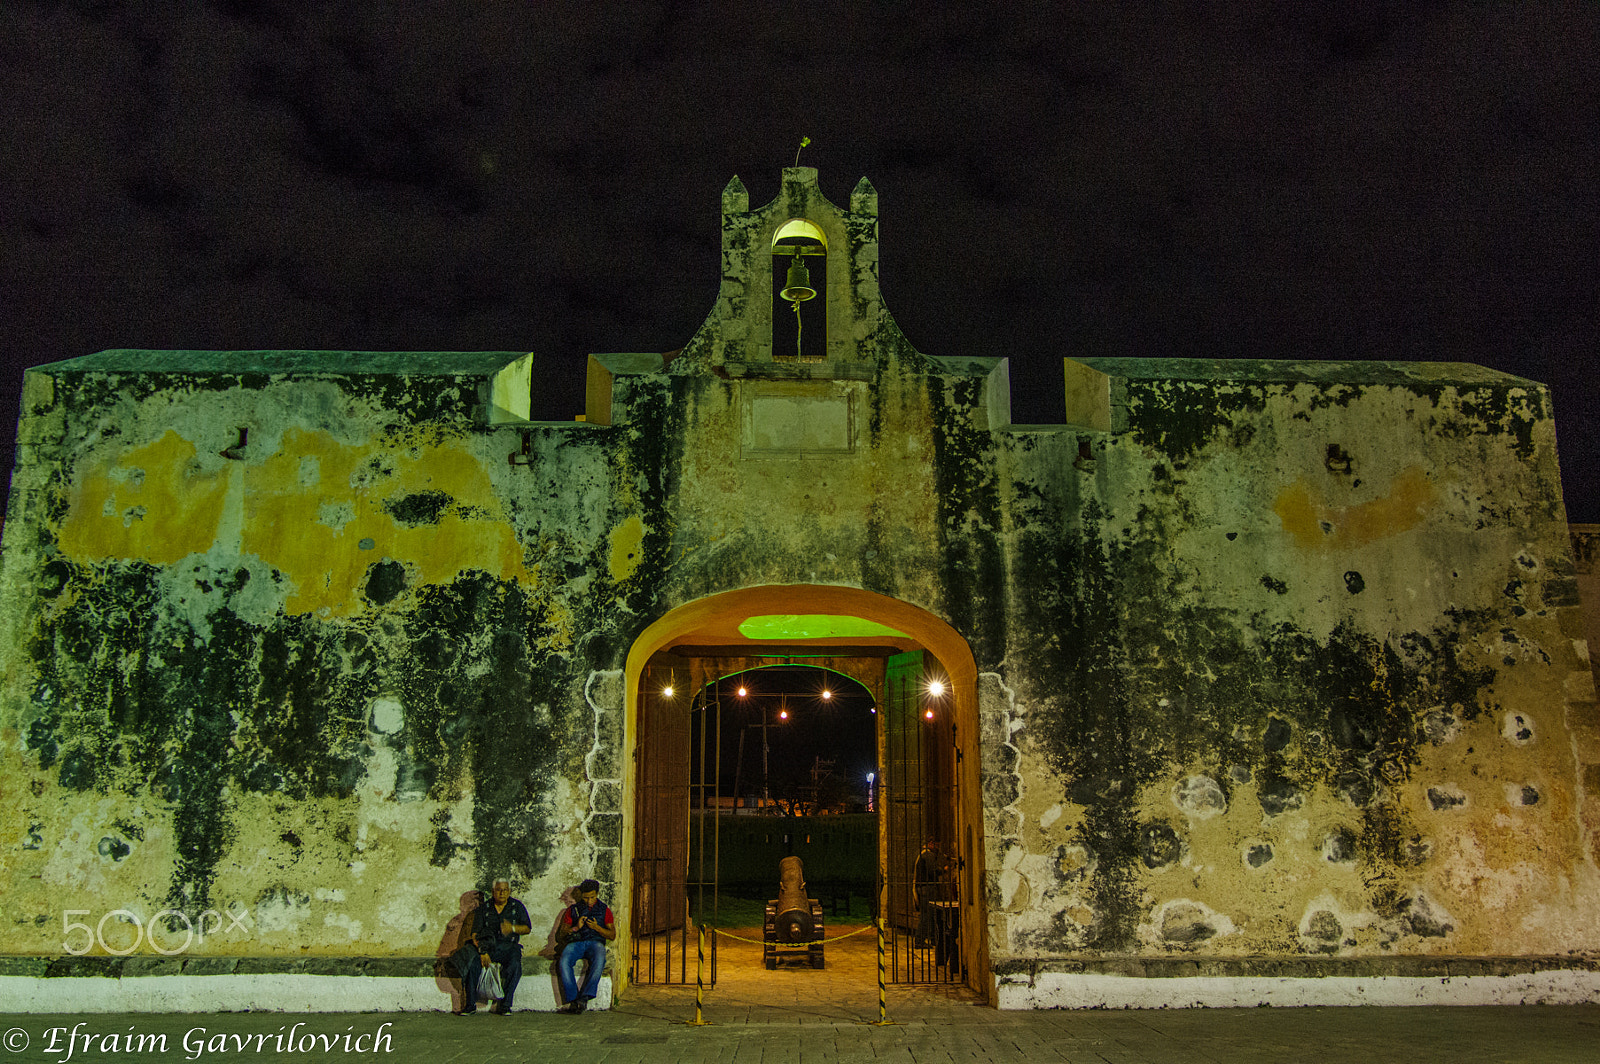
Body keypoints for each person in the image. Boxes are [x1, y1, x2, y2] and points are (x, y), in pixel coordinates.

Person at [455, 878, 531, 1015]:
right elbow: (475, 934)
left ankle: (505, 1005)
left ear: (509, 891)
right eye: (498, 890)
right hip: (487, 947)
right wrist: (482, 952)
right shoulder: (483, 909)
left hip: (509, 947)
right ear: (493, 891)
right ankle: (470, 1005)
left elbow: (527, 928)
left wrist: (512, 928)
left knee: (515, 966)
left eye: (505, 890)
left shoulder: (517, 906)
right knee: (472, 965)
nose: (502, 893)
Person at [555, 878, 615, 1014]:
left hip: (595, 943)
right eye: (585, 898)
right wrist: (576, 927)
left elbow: (612, 935)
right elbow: (562, 934)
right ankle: (574, 999)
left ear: (597, 894)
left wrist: (597, 928)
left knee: (600, 959)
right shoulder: (573, 910)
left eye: (592, 897)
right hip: (576, 943)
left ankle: (585, 997)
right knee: (564, 960)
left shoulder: (604, 910)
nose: (588, 901)